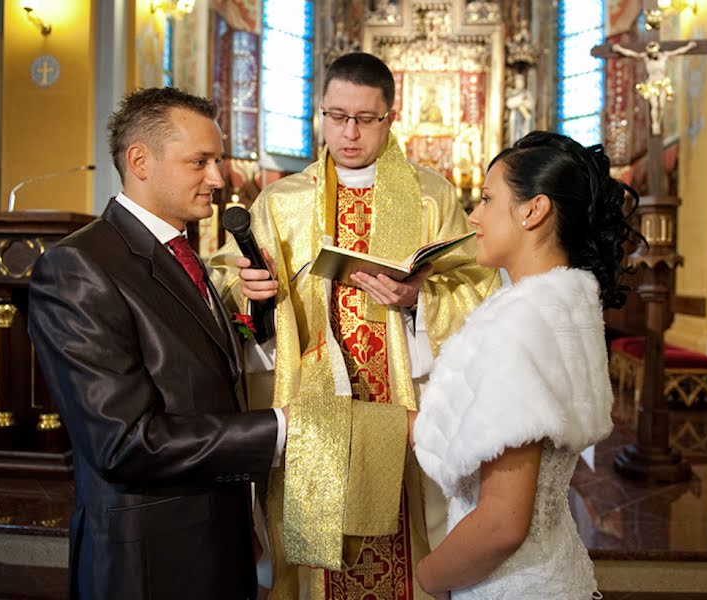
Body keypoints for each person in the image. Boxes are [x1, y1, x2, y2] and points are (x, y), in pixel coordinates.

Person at [210, 52, 498, 599]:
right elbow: (227, 284)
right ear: (321, 113)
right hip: (312, 402)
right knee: (317, 556)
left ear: (391, 117)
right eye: (336, 115)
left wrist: (417, 300)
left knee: (406, 527)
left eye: (365, 118)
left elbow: (478, 288)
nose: (348, 132)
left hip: (406, 401)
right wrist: (255, 297)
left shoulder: (430, 195)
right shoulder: (282, 201)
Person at [28, 87, 287, 600]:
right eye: (200, 162)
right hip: (148, 561)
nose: (218, 178)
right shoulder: (80, 266)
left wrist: (259, 316)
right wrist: (282, 432)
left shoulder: (181, 252)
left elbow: (199, 369)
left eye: (218, 160)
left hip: (218, 541)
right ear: (140, 160)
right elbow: (123, 443)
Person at [413, 131, 643, 599]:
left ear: (533, 211)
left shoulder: (517, 324)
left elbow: (501, 524)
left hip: (509, 584)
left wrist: (426, 579)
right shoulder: (569, 308)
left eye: (487, 199)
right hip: (555, 565)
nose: (473, 216)